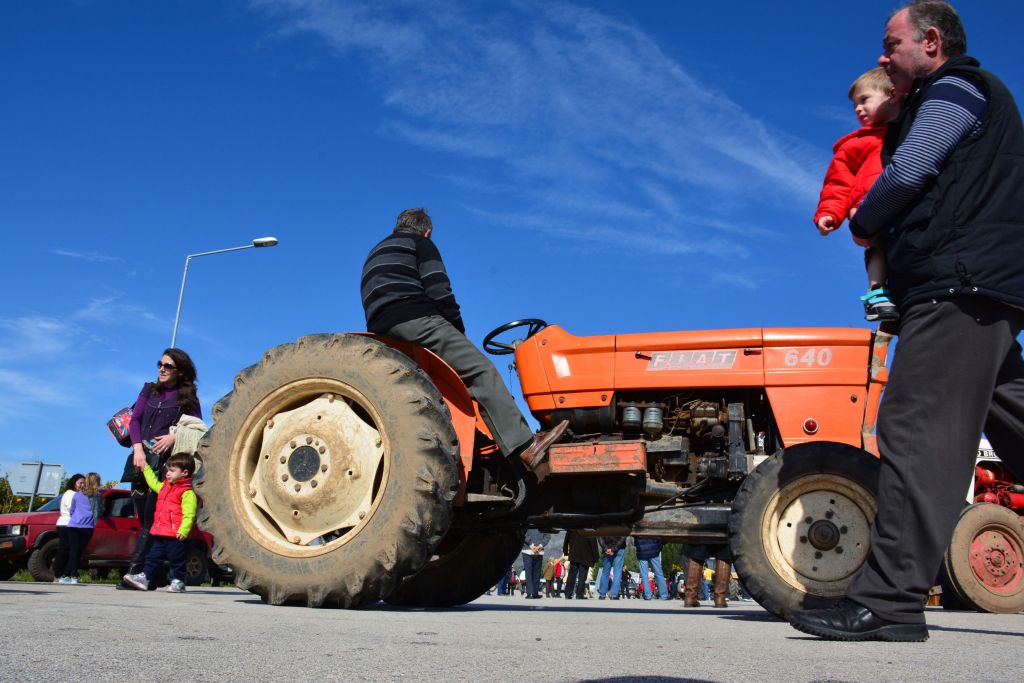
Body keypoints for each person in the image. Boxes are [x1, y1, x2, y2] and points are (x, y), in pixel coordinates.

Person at [791, 1, 1024, 642]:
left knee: (913, 427)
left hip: (959, 286)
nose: (882, 57)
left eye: (891, 44)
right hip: (981, 291)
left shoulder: (957, 87)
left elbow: (912, 170)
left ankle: (889, 601)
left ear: (929, 40)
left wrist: (865, 221)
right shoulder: (945, 97)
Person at [360, 208, 569, 470]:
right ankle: (526, 445)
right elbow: (439, 290)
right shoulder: (421, 244)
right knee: (481, 370)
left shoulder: (377, 251)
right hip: (415, 317)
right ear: (427, 231)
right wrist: (458, 332)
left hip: (382, 326)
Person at [814, 67, 904, 321]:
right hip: (869, 207)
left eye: (865, 99)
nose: (858, 108)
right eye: (855, 103)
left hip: (907, 208)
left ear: (892, 95)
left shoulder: (913, 132)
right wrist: (830, 213)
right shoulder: (854, 145)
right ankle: (876, 291)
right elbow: (838, 183)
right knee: (875, 247)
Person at [119, 348, 201, 589]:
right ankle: (152, 575)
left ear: (180, 371)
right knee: (143, 517)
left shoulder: (188, 398)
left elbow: (199, 429)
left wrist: (174, 437)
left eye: (168, 366)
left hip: (164, 466)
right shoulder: (149, 390)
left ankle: (136, 573)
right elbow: (134, 420)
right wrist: (137, 450)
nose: (162, 369)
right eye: (160, 364)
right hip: (139, 461)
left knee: (151, 521)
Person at [124, 453, 198, 593]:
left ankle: (178, 581)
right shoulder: (164, 487)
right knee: (152, 557)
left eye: (172, 470)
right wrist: (146, 468)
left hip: (175, 534)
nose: (168, 473)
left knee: (176, 559)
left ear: (184, 473)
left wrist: (184, 530)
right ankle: (144, 578)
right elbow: (153, 482)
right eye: (167, 470)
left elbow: (189, 515)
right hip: (160, 532)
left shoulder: (187, 493)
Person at [58, 472, 102, 584]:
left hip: (73, 525)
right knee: (78, 552)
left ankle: (65, 575)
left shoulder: (77, 495)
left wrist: (76, 517)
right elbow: (99, 511)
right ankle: (73, 575)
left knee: (74, 551)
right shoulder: (96, 496)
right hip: (87, 527)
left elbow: (72, 510)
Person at [52, 473, 84, 583]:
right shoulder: (72, 494)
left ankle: (61, 574)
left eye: (84, 483)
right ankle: (59, 574)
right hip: (68, 523)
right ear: (74, 483)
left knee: (65, 549)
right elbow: (73, 509)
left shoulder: (70, 494)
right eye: (80, 483)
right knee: (66, 550)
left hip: (66, 523)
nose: (82, 485)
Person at [562, 530, 599, 600]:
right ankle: (579, 594)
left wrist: (565, 551)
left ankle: (568, 593)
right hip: (586, 555)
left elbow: (566, 540)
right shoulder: (589, 528)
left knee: (572, 574)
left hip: (574, 554)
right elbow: (593, 543)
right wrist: (596, 557)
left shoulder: (572, 526)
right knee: (582, 576)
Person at [520, 529, 549, 599]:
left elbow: (523, 534)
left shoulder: (527, 522)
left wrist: (531, 545)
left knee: (528, 572)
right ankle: (535, 593)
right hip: (539, 551)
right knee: (537, 573)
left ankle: (530, 593)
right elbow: (547, 536)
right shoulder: (544, 524)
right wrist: (540, 546)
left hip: (527, 550)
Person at [596, 536, 626, 600]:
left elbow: (599, 535)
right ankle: (614, 594)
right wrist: (614, 549)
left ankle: (602, 594)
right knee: (617, 572)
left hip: (607, 547)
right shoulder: (622, 525)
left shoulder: (603, 525)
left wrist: (606, 548)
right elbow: (623, 536)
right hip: (619, 548)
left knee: (605, 572)